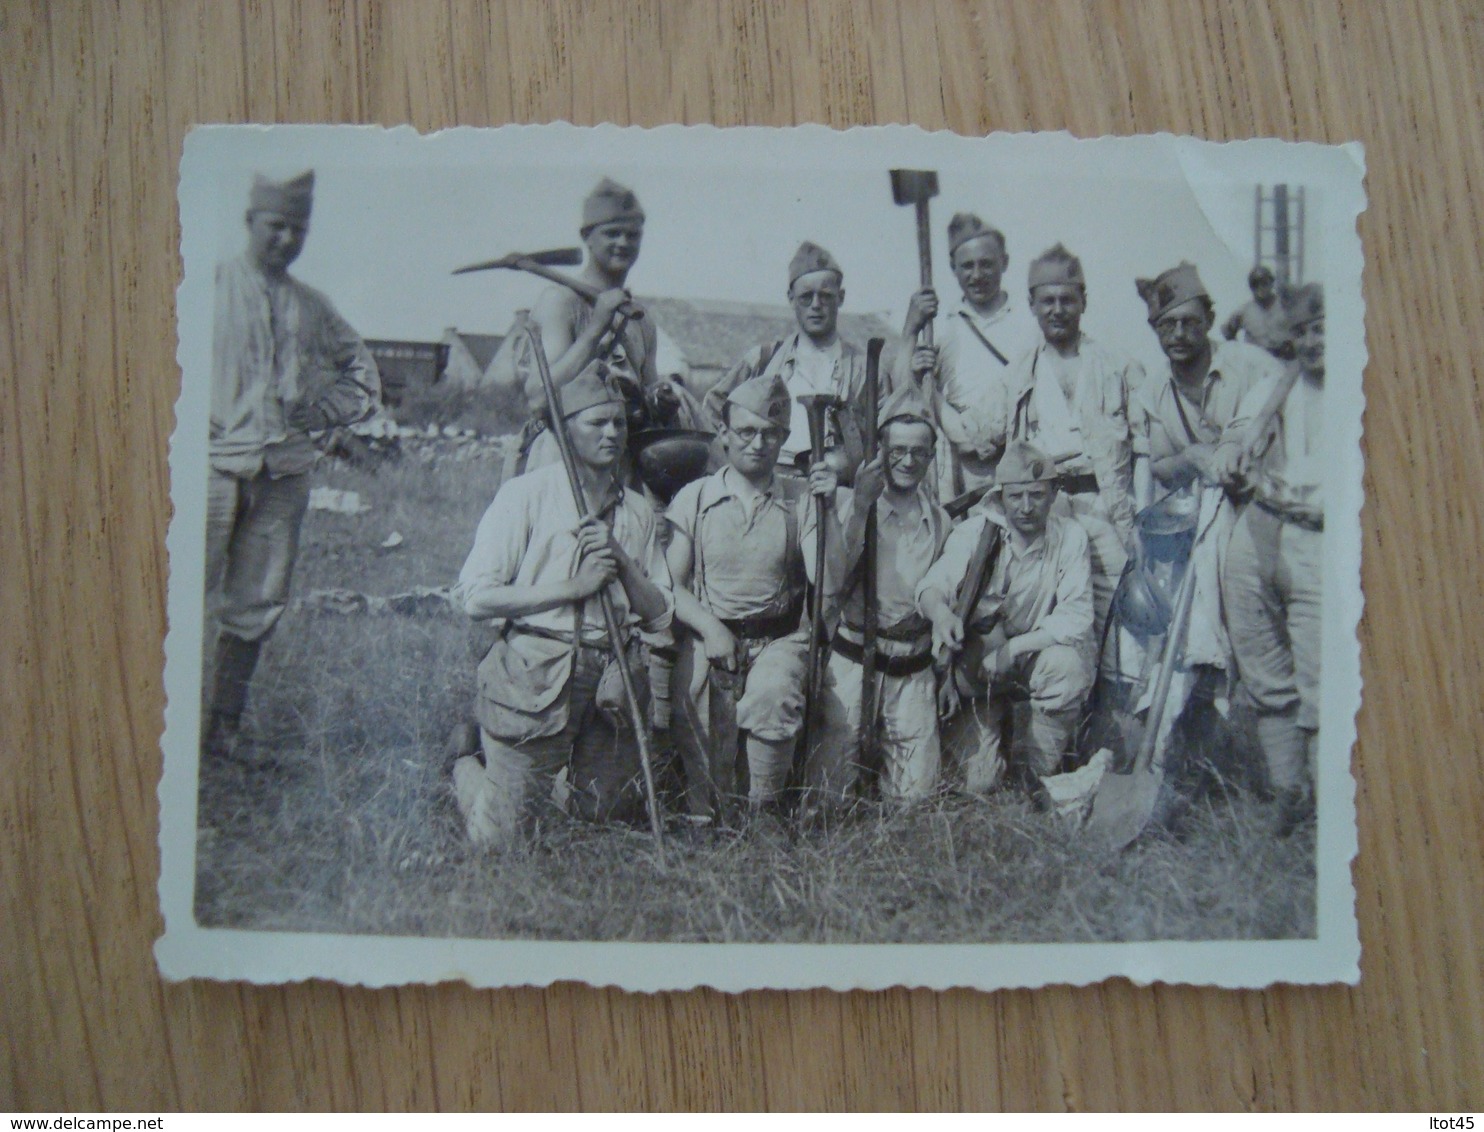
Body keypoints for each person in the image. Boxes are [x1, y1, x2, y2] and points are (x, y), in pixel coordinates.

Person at [450, 361, 674, 847]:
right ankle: (469, 770)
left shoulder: (636, 509)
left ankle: (536, 783)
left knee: (603, 818)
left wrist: (620, 557)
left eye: (619, 423)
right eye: (597, 423)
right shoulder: (525, 496)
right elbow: (476, 597)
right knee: (501, 845)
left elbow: (659, 614)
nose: (612, 433)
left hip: (613, 680)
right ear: (566, 430)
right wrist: (571, 588)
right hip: (537, 672)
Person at [203, 170, 381, 762]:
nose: (286, 239)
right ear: (250, 221)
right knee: (174, 593)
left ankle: (223, 730)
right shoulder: (207, 286)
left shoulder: (312, 306)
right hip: (207, 470)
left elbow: (363, 376)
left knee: (256, 601)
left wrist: (316, 414)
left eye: (297, 229)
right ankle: (155, 730)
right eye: (276, 225)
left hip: (282, 476)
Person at [666, 373, 810, 815]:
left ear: (784, 438)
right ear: (724, 435)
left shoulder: (798, 499)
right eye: (746, 432)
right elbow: (670, 585)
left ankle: (763, 811)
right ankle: (704, 812)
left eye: (770, 433)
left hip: (778, 638)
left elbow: (830, 578)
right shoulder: (695, 498)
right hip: (709, 633)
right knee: (697, 715)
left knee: (773, 695)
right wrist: (710, 628)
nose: (758, 443)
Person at [802, 385, 952, 807]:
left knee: (916, 802)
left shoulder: (941, 522)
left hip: (912, 670)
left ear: (932, 456)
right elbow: (831, 580)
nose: (907, 461)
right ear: (881, 450)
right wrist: (862, 507)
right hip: (851, 663)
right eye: (897, 450)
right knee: (825, 801)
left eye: (918, 452)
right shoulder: (846, 503)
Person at [918, 442, 1096, 796]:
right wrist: (940, 613)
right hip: (974, 672)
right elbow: (933, 586)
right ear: (1002, 496)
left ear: (1053, 493)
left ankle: (1033, 777)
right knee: (977, 783)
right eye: (1016, 497)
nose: (1026, 507)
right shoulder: (975, 534)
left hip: (1027, 660)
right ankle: (992, 736)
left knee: (1068, 667)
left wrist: (1014, 649)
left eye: (1036, 495)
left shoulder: (1069, 537)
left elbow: (1077, 614)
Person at [1216, 283, 1326, 834]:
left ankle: (1334, 809)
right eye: (1303, 331)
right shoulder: (1276, 386)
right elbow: (1234, 440)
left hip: (1322, 541)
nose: (1314, 341)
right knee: (1262, 666)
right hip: (1261, 526)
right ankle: (1289, 793)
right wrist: (1233, 456)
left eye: (1323, 327)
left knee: (1322, 676)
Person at [1002, 243, 1146, 643]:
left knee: (1120, 623)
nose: (1057, 309)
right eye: (1047, 301)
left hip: (1105, 506)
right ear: (1032, 305)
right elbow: (974, 435)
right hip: (1047, 514)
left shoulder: (1117, 366)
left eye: (1067, 299)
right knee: (1051, 623)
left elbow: (1145, 448)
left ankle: (1111, 705)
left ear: (1084, 301)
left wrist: (1139, 520)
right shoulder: (1018, 374)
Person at [519, 177, 701, 474]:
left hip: (624, 464)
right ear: (587, 237)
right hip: (563, 463)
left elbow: (647, 394)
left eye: (633, 235)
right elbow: (539, 399)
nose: (623, 243)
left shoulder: (639, 317)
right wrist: (596, 330)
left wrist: (660, 399)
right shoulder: (560, 303)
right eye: (612, 233)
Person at [891, 212, 1038, 502]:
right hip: (959, 464)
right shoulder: (941, 327)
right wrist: (910, 331)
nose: (977, 275)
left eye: (986, 264)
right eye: (967, 266)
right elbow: (902, 393)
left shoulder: (1029, 322)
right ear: (953, 268)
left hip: (1017, 456)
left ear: (1004, 263)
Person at [703, 241, 876, 483]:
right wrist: (734, 465)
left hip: (839, 488)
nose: (816, 305)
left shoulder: (864, 367)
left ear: (841, 297)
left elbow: (885, 436)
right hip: (771, 484)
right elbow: (714, 406)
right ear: (791, 298)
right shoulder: (764, 360)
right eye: (806, 297)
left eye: (826, 296)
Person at [1222, 265, 1293, 358]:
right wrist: (1239, 352)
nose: (1260, 287)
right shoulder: (1244, 311)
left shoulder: (1285, 306)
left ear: (1271, 283)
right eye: (1255, 284)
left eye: (1264, 283)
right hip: (1256, 362)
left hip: (1283, 359)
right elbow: (1227, 331)